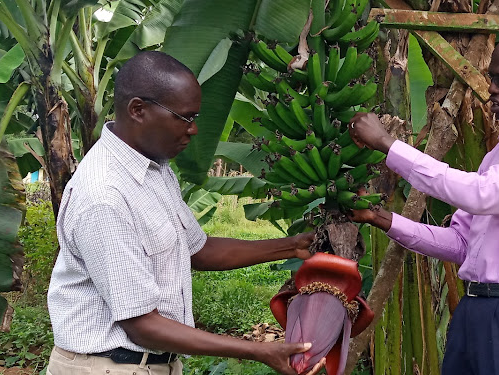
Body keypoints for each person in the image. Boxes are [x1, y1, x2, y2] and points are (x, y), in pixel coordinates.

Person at [46, 51, 324, 375]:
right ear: (138, 110)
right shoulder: (104, 196)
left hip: (151, 365)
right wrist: (257, 350)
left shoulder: (155, 168)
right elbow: (141, 324)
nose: (193, 130)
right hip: (106, 367)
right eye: (186, 117)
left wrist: (291, 247)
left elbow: (199, 250)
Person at [348, 25, 499, 374]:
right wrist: (381, 219)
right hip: (474, 312)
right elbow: (462, 244)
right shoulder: (498, 156)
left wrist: (389, 145)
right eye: (490, 77)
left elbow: (483, 195)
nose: (491, 89)